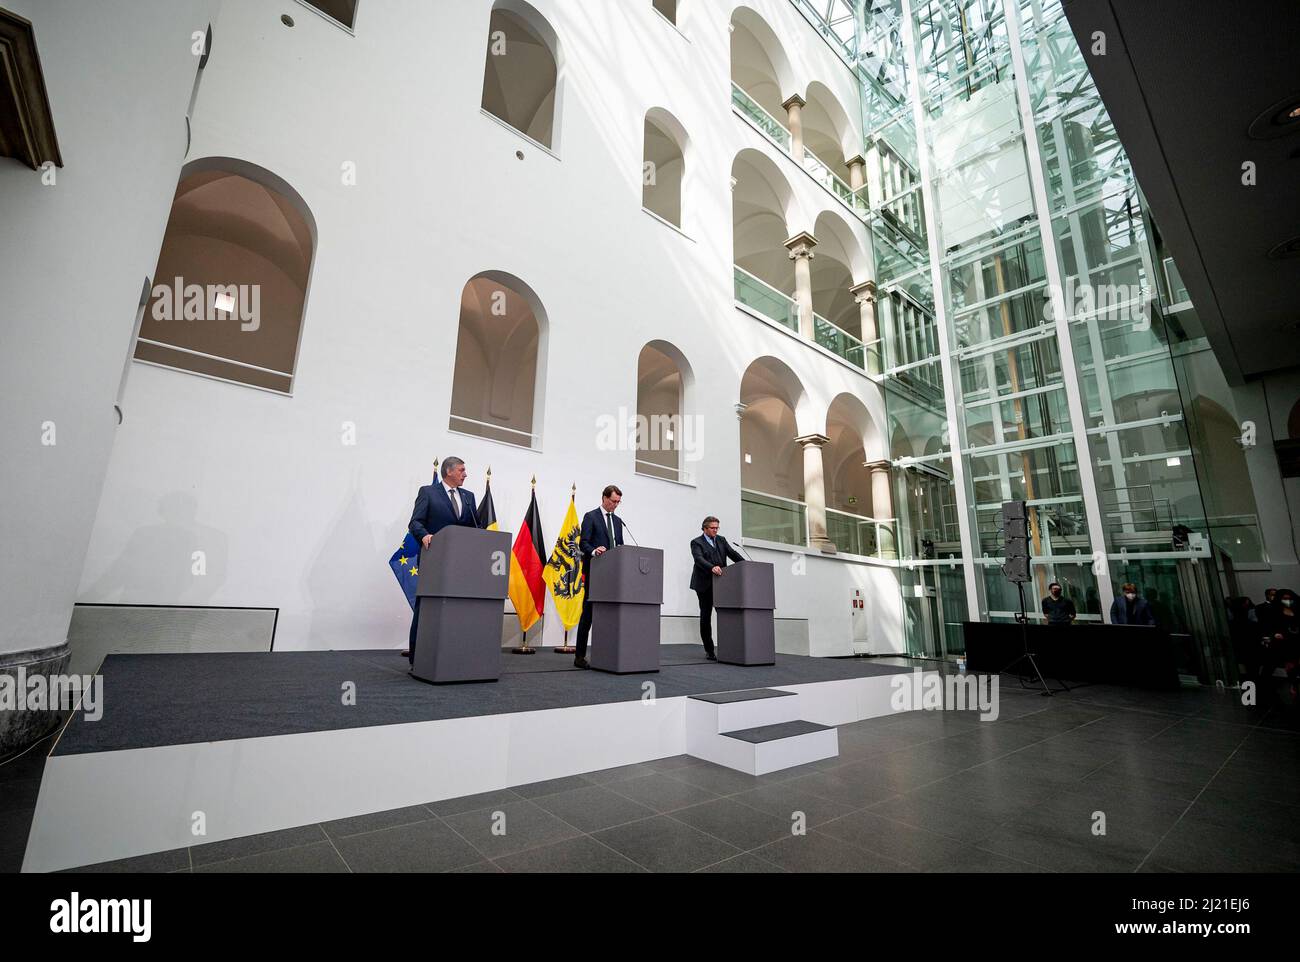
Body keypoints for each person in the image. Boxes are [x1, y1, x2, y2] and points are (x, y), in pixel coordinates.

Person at [406, 457, 480, 666]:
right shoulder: (428, 492)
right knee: (426, 608)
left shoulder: (469, 497)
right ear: (449, 471)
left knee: (457, 608)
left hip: (460, 563)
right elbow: (415, 522)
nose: (465, 474)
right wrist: (424, 535)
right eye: (462, 470)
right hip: (434, 559)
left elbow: (475, 527)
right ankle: (417, 658)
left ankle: (451, 656)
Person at [573, 485, 625, 669]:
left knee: (610, 614)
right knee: (588, 614)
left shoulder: (618, 521)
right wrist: (594, 551)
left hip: (614, 575)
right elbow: (583, 543)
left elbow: (620, 547)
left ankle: (607, 653)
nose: (615, 505)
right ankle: (579, 656)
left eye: (618, 502)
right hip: (596, 572)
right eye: (613, 501)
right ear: (604, 498)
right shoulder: (591, 516)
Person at [689, 516, 746, 660]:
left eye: (717, 528)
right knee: (706, 616)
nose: (715, 530)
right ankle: (709, 650)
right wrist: (711, 567)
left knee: (726, 613)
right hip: (704, 584)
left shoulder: (721, 540)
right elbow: (699, 559)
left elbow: (733, 554)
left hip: (722, 583)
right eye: (713, 528)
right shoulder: (696, 542)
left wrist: (746, 565)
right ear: (705, 528)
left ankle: (728, 647)